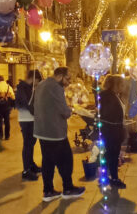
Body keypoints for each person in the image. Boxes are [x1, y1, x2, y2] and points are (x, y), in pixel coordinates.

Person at [34, 66, 85, 202]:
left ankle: (48, 191)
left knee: (48, 161)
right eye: (67, 79)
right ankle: (68, 188)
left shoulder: (42, 84)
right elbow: (64, 110)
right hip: (54, 132)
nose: (69, 82)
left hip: (42, 131)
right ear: (60, 76)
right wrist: (70, 110)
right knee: (66, 160)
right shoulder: (55, 88)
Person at [16, 69, 43, 181]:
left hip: (31, 119)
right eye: (37, 81)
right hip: (26, 119)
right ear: (33, 78)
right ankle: (26, 170)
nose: (36, 84)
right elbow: (25, 103)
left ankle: (31, 165)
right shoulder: (22, 87)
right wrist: (34, 111)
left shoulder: (30, 88)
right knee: (27, 144)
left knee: (31, 143)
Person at [100, 75, 126, 189]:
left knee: (110, 154)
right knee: (112, 155)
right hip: (111, 131)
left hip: (113, 129)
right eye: (121, 84)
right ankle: (113, 178)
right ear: (115, 85)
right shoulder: (108, 96)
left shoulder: (112, 95)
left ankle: (105, 175)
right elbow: (108, 114)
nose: (123, 86)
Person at [0, 75, 15, 140]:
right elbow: (13, 97)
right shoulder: (9, 87)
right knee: (7, 121)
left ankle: (0, 136)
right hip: (7, 106)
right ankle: (7, 136)